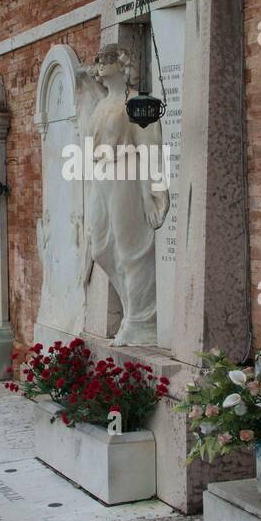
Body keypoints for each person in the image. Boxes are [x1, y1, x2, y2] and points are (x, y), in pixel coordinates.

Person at [81, 44, 169, 346]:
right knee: (102, 248)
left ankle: (142, 321)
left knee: (132, 249)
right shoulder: (102, 103)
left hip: (126, 173)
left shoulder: (138, 102)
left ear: (122, 64)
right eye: (98, 60)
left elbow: (149, 148)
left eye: (106, 59)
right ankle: (135, 309)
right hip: (102, 175)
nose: (99, 64)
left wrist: (149, 192)